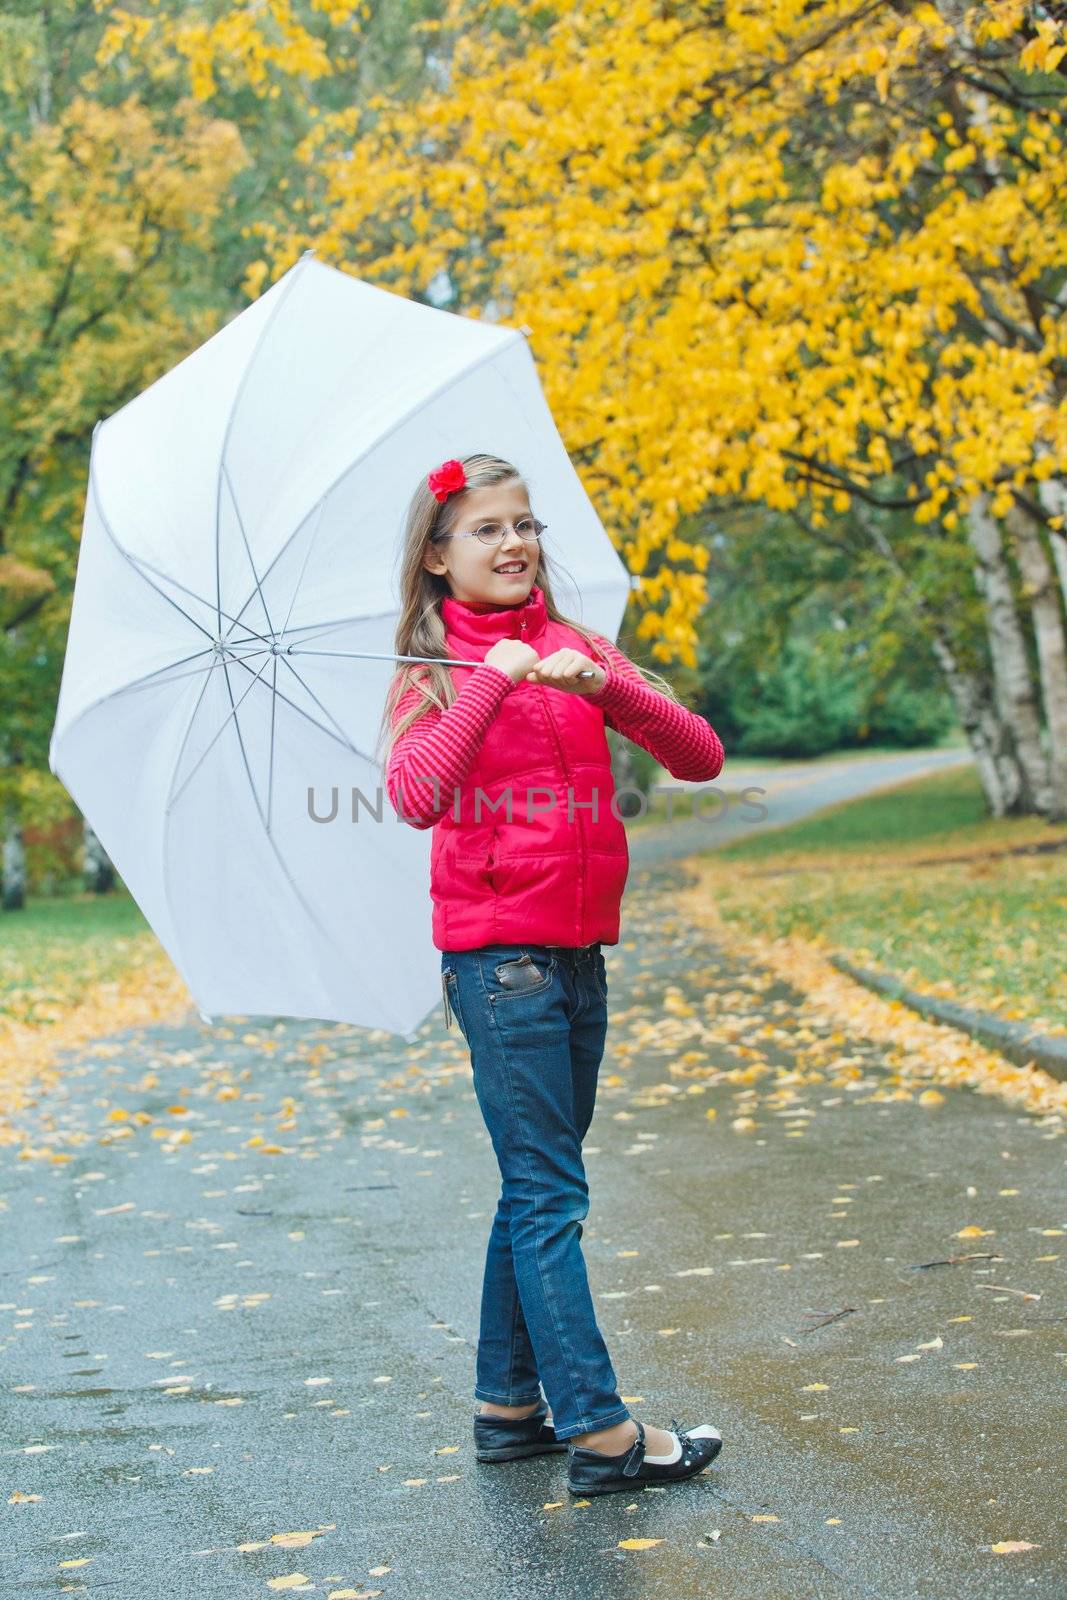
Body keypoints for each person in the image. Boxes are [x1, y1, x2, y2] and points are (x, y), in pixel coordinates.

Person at [377, 452, 726, 1496]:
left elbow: (701, 755)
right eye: (485, 528)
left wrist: (604, 682)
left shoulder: (573, 643)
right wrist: (494, 679)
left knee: (534, 1185)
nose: (515, 542)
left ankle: (506, 1405)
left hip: (578, 957)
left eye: (523, 523)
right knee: (548, 1192)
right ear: (437, 556)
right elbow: (415, 794)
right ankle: (602, 1431)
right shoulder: (428, 669)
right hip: (500, 966)